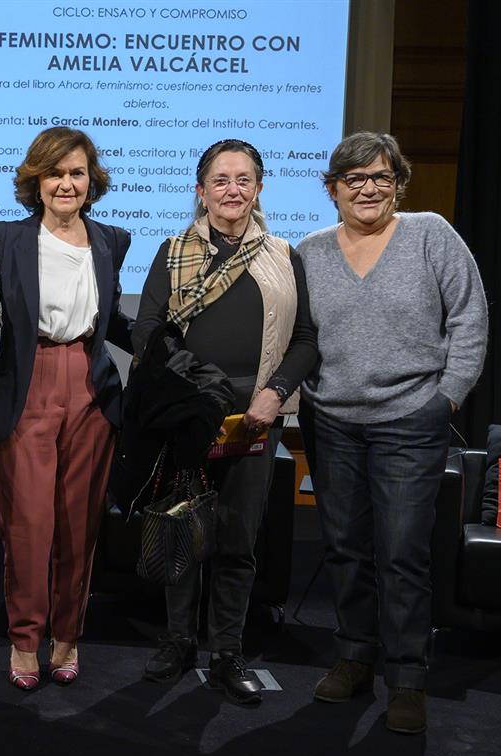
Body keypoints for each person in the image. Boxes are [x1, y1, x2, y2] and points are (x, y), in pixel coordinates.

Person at [298, 132, 487, 734]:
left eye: (380, 177)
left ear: (397, 182)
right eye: (354, 179)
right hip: (332, 422)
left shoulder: (431, 233)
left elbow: (469, 317)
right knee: (346, 547)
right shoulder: (309, 251)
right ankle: (354, 655)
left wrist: (447, 397)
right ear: (333, 190)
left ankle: (406, 677)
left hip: (411, 418)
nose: (368, 189)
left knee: (403, 551)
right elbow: (300, 336)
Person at [134, 139, 316, 705]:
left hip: (255, 417)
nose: (232, 190)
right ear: (201, 189)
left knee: (237, 539)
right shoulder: (172, 251)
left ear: (258, 189)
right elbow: (147, 333)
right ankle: (178, 641)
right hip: (190, 415)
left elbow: (307, 340)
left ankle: (227, 651)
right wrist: (195, 388)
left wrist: (275, 394)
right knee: (182, 529)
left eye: (243, 180)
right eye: (220, 180)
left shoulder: (285, 256)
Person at [0, 127, 133, 690]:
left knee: (79, 527)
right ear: (36, 181)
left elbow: (113, 320)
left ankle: (67, 639)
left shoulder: (112, 240)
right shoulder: (4, 238)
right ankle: (25, 641)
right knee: (28, 525)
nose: (66, 183)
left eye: (76, 173)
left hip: (92, 391)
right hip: (27, 385)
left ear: (91, 182)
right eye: (54, 173)